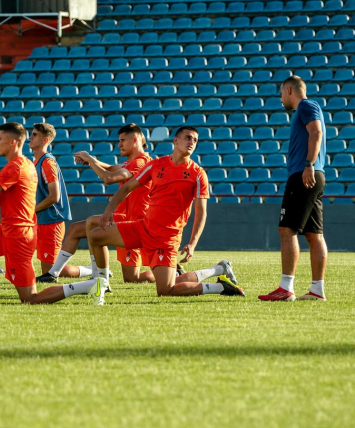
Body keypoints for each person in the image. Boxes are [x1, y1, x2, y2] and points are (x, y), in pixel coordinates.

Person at [0, 122, 102, 305]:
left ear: (13, 142)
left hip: (18, 236)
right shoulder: (27, 164)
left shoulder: (16, 167)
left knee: (30, 297)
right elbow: (0, 197)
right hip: (11, 229)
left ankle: (90, 285)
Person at [80, 126, 244, 300]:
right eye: (188, 138)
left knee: (166, 290)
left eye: (195, 140)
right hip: (142, 227)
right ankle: (102, 284)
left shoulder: (197, 174)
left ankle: (221, 286)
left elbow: (201, 212)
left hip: (166, 239)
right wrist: (109, 211)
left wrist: (192, 243)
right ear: (176, 140)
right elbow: (127, 187)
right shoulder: (156, 164)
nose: (191, 142)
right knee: (95, 236)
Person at [0, 122, 85, 280]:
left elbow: (54, 197)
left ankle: (89, 270)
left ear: (45, 140)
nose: (30, 137)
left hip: (50, 222)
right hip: (34, 219)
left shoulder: (48, 163)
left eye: (35, 135)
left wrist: (30, 210)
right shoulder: (33, 163)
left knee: (51, 271)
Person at [40, 123, 156, 289]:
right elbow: (111, 168)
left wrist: (90, 160)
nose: (119, 144)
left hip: (134, 222)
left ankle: (171, 271)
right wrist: (91, 161)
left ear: (135, 140)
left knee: (133, 278)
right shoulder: (131, 163)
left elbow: (109, 178)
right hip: (123, 218)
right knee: (77, 229)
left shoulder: (140, 163)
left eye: (122, 140)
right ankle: (56, 274)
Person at [260, 75, 329, 302]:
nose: (281, 99)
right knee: (314, 234)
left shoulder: (306, 106)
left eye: (281, 93)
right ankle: (317, 290)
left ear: (289, 90)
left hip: (304, 173)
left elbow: (316, 132)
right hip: (314, 174)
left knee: (287, 230)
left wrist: (308, 164)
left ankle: (286, 288)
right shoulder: (307, 109)